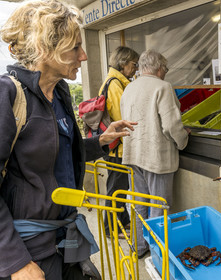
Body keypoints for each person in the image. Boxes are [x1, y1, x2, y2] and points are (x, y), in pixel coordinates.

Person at [0, 1, 136, 279]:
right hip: (30, 253)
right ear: (44, 48)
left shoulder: (60, 94)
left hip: (65, 239)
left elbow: (58, 155)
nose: (84, 56)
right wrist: (15, 262)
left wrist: (100, 142)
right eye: (75, 47)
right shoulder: (8, 95)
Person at [120, 49, 190, 258]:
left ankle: (139, 247)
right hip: (157, 158)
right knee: (158, 208)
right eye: (165, 69)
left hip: (133, 155)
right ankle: (157, 253)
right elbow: (171, 125)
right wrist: (183, 140)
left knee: (139, 205)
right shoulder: (163, 87)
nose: (166, 72)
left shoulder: (129, 88)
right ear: (159, 68)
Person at [100, 46, 139, 239]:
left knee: (120, 187)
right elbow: (121, 117)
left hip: (116, 147)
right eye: (134, 64)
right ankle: (111, 229)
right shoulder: (115, 84)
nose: (135, 68)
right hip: (117, 149)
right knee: (116, 189)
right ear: (123, 63)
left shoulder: (115, 81)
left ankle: (122, 221)